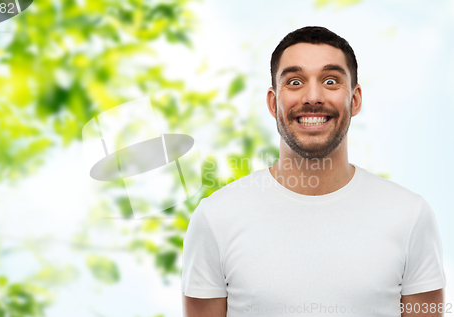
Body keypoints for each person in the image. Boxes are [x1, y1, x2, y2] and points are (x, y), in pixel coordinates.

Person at [181, 26, 446, 317]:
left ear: (355, 100)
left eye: (331, 80)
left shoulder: (410, 215)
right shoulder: (215, 218)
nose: (313, 96)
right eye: (295, 82)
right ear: (273, 102)